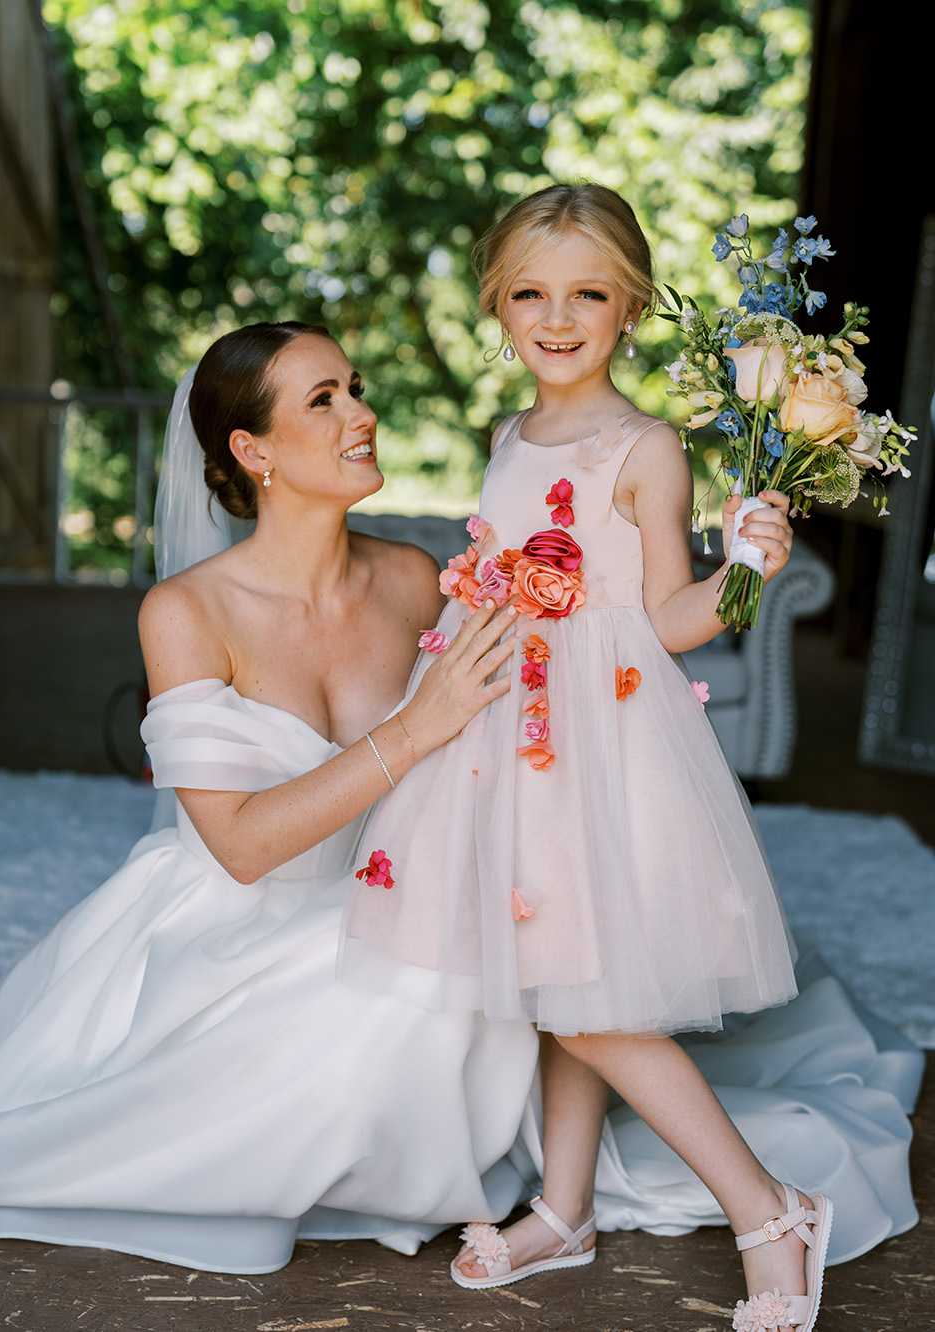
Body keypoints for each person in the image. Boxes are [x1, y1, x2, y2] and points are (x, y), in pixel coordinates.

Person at [338, 185, 917, 1331]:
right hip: (503, 730)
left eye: (588, 294)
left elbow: (664, 616)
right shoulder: (507, 436)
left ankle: (767, 1207)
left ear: (632, 306)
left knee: (588, 995)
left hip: (595, 741)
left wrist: (745, 563)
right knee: (564, 979)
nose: (558, 318)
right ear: (498, 306)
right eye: (531, 293)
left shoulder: (643, 446)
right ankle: (564, 1209)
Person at [0, 320, 542, 1273]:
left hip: (388, 892)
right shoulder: (186, 612)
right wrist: (420, 724)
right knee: (367, 1010)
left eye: (355, 385)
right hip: (233, 920)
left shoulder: (412, 579)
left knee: (448, 970)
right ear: (251, 452)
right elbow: (243, 848)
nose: (363, 413)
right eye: (324, 400)